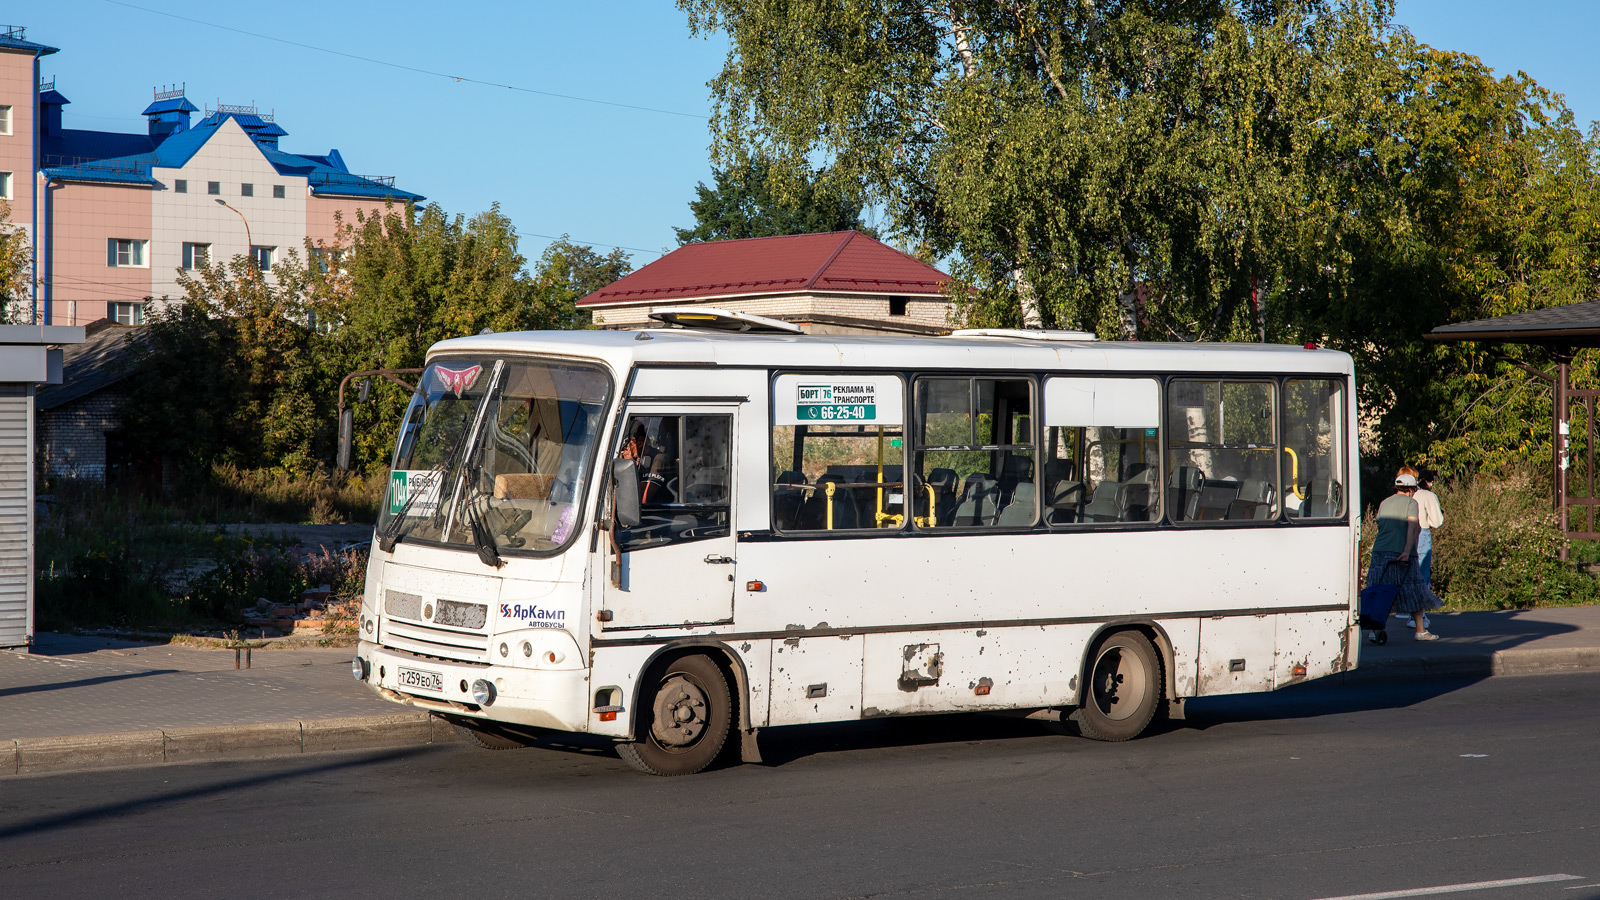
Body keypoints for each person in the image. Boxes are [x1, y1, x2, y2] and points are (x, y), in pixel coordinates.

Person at [1368, 472, 1443, 641]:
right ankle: (1421, 631)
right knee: (1415, 588)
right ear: (1411, 489)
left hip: (1379, 550)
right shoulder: (1411, 502)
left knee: (1381, 590)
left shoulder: (1384, 502)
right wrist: (1407, 551)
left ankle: (1375, 629)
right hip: (1402, 552)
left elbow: (1380, 525)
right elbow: (1412, 527)